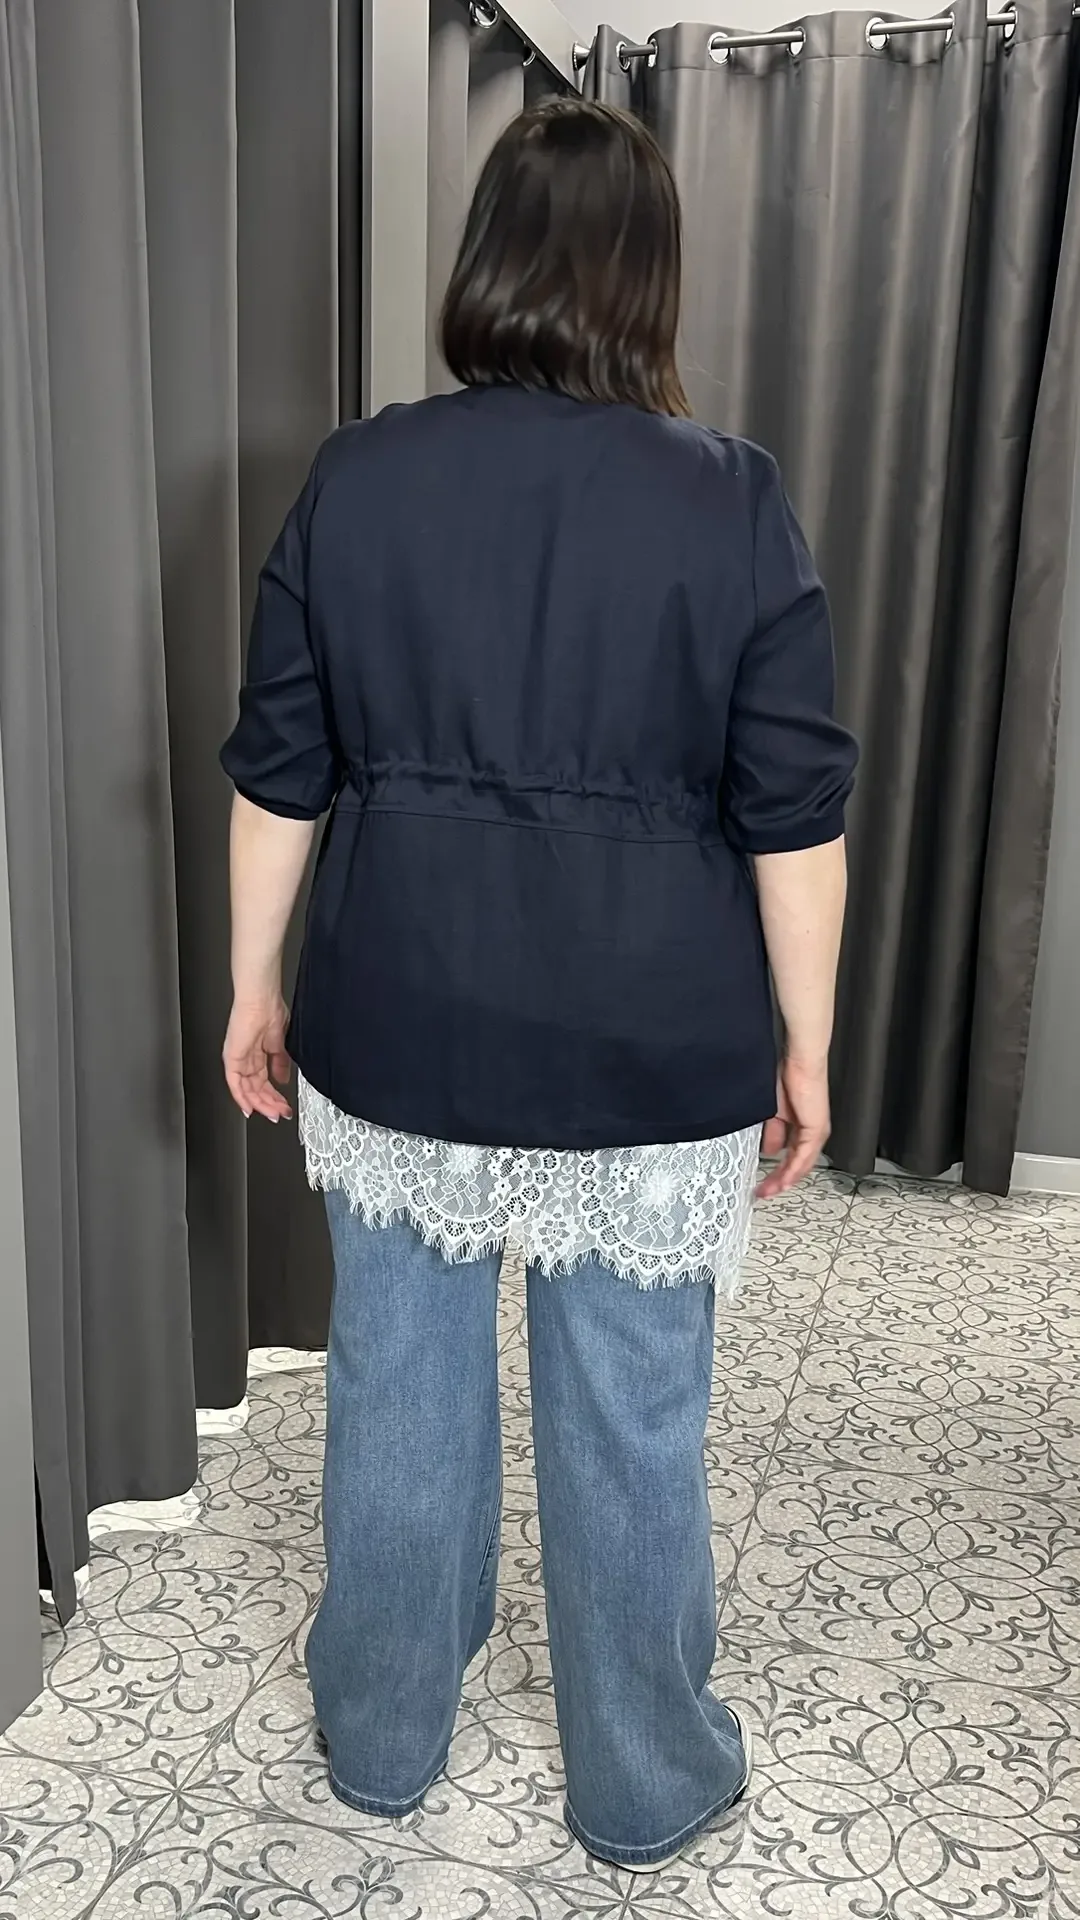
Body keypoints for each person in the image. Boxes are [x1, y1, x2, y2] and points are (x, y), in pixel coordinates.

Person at [220, 97, 856, 1875]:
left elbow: (280, 769)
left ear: (485, 259)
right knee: (634, 1417)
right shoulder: (731, 497)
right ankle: (643, 1782)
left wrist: (253, 985)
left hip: (400, 1005)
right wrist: (807, 1044)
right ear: (650, 279)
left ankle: (382, 1738)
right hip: (649, 1032)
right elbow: (793, 812)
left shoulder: (358, 475)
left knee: (397, 1390)